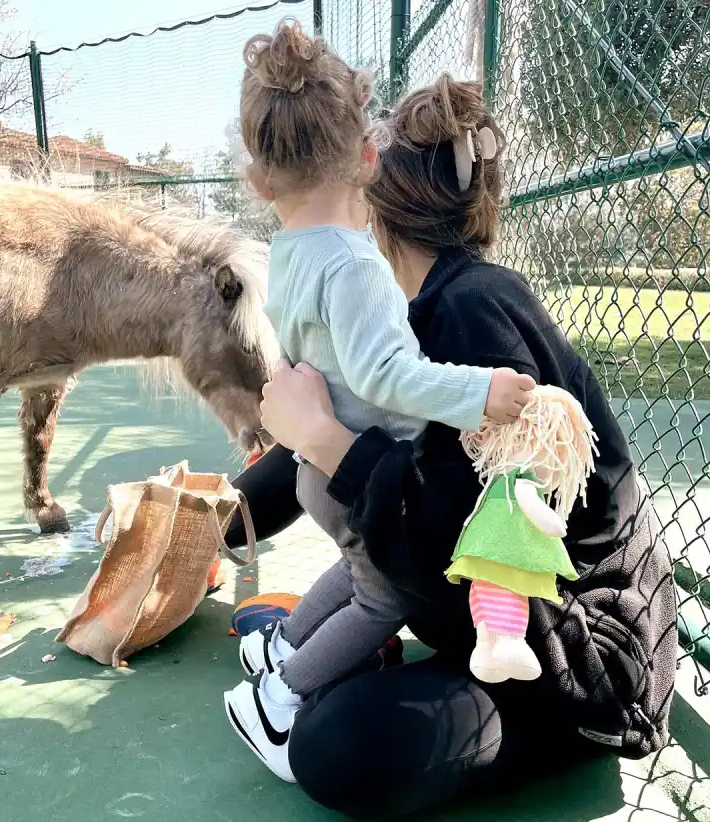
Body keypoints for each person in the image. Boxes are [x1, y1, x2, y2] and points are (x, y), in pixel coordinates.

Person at [223, 71, 678, 818]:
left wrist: (327, 442)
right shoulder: (412, 310)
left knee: (335, 747)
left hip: (579, 658)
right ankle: (316, 653)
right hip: (496, 619)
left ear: (373, 198)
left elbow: (457, 553)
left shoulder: (472, 313)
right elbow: (327, 435)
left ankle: (322, 677)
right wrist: (238, 494)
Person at [222, 19, 537, 783]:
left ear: (262, 181)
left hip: (320, 469)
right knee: (383, 597)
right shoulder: (355, 266)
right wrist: (480, 394)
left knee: (359, 575)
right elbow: (389, 376)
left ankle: (286, 643)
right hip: (359, 467)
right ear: (366, 159)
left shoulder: (289, 253)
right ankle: (280, 695)